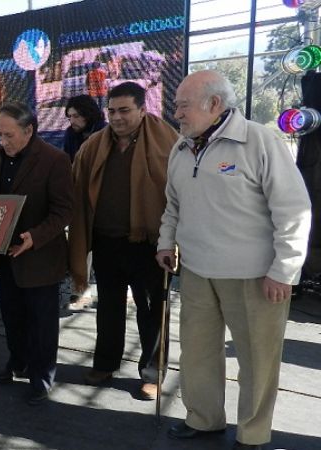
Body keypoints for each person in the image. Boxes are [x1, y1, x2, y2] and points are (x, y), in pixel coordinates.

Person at [156, 70, 311, 450]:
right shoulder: (181, 148)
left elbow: (293, 210)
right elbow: (173, 206)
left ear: (214, 104)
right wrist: (165, 242)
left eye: (183, 105)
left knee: (257, 363)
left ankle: (252, 435)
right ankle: (204, 420)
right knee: (197, 353)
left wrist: (284, 270)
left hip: (256, 276)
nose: (176, 113)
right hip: (195, 272)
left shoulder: (259, 141)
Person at [68, 82, 179, 400]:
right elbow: (77, 188)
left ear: (143, 110)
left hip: (149, 245)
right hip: (106, 242)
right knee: (109, 308)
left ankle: (152, 374)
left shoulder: (168, 142)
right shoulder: (93, 145)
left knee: (151, 311)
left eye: (125, 110)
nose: (117, 117)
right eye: (112, 111)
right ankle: (105, 363)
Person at [0, 101, 73, 405]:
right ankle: (17, 362)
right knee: (12, 316)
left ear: (29, 131)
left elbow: (64, 212)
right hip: (6, 254)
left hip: (39, 257)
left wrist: (34, 237)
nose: (3, 142)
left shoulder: (55, 160)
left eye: (8, 135)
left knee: (42, 322)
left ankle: (42, 377)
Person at [63, 94, 107, 161]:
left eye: (76, 116)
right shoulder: (70, 133)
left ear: (88, 115)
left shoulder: (105, 133)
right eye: (69, 117)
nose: (72, 121)